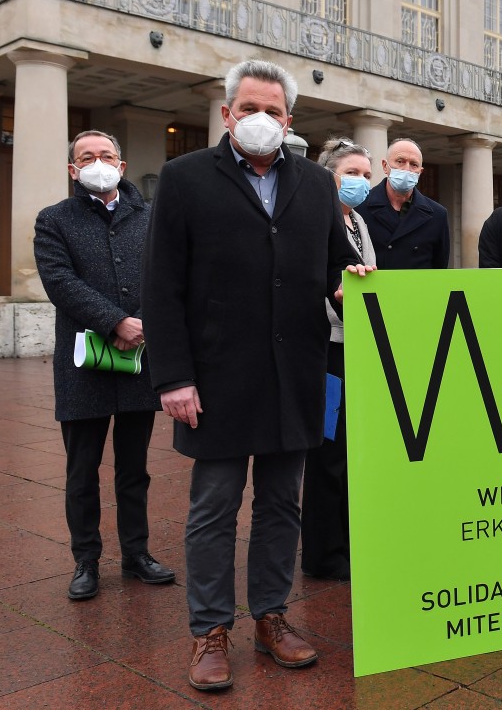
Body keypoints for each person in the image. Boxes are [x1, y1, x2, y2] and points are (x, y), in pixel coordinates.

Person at [143, 59, 370, 691]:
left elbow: (337, 266)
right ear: (226, 114)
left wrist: (354, 288)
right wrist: (173, 378)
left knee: (280, 505)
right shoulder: (185, 178)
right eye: (249, 109)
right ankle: (210, 630)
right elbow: (161, 287)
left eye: (273, 111)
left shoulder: (317, 185)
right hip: (215, 377)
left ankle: (271, 617)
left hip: (295, 374)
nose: (261, 120)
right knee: (214, 507)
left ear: (290, 120)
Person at [33, 130, 174, 601]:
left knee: (134, 468)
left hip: (138, 361)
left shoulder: (152, 217)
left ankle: (137, 554)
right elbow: (58, 280)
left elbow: (169, 275)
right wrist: (115, 321)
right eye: (86, 157)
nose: (98, 162)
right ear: (73, 170)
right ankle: (86, 560)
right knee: (82, 469)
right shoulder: (54, 219)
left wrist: (146, 323)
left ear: (123, 163)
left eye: (106, 155)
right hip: (84, 365)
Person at [300, 137, 378, 581]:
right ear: (329, 175)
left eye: (367, 175)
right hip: (328, 349)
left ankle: (346, 543)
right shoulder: (317, 217)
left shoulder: (358, 223)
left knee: (352, 452)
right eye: (352, 173)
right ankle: (322, 554)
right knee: (327, 452)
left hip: (357, 346)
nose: (361, 182)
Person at [354, 138, 450, 269]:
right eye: (400, 161)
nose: (407, 169)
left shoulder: (438, 214)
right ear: (385, 166)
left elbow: (439, 267)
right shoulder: (359, 206)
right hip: (375, 288)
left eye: (414, 164)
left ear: (420, 172)